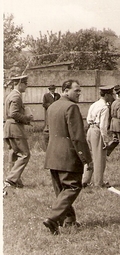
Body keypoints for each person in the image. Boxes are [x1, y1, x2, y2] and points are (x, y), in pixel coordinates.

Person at [43, 80, 93, 235]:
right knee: (72, 187)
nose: (79, 94)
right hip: (68, 156)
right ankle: (53, 218)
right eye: (76, 91)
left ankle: (68, 221)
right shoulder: (71, 107)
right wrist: (87, 159)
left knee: (61, 190)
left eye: (80, 91)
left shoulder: (52, 106)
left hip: (53, 155)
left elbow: (46, 132)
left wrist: (50, 150)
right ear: (65, 91)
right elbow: (78, 137)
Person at [3, 74, 33, 189]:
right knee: (25, 154)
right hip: (15, 127)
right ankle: (11, 180)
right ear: (19, 84)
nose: (26, 86)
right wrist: (26, 119)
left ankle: (16, 182)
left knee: (14, 153)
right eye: (25, 83)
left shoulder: (10, 95)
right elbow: (13, 113)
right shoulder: (16, 96)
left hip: (9, 127)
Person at [83, 85, 114, 188]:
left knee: (90, 157)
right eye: (111, 94)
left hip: (90, 130)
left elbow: (88, 119)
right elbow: (103, 126)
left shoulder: (94, 104)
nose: (112, 96)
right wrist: (105, 140)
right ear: (106, 95)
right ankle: (98, 183)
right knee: (99, 158)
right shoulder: (105, 107)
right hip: (97, 131)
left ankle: (85, 180)